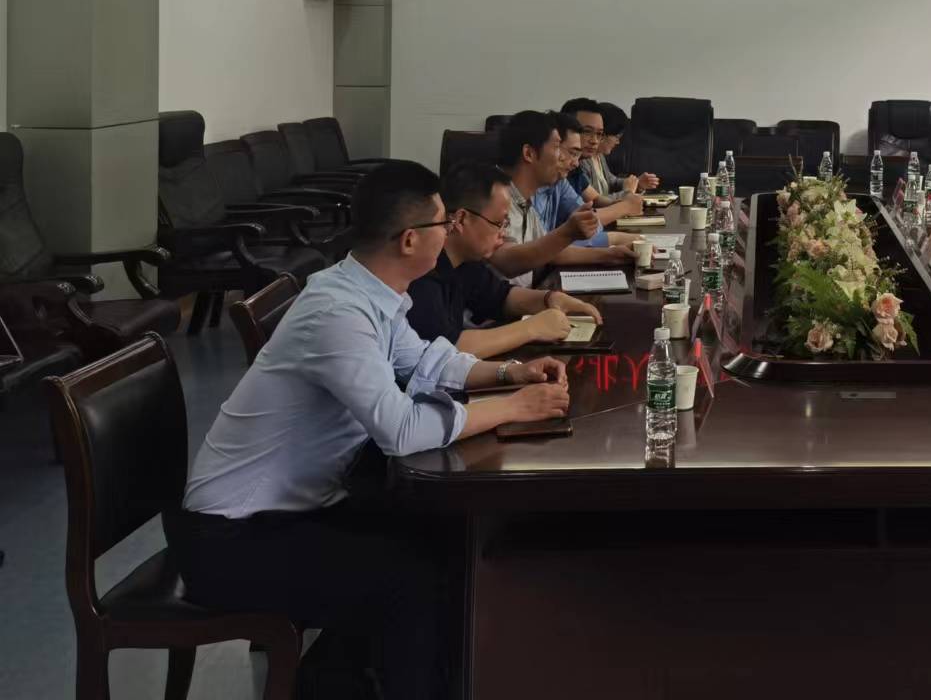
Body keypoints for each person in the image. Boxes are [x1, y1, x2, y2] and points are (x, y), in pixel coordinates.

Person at [166, 162, 572, 699]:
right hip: (233, 539)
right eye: (442, 223)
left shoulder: (372, 292)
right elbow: (399, 429)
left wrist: (509, 374)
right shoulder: (338, 312)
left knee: (447, 537)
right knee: (409, 581)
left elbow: (428, 361)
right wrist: (513, 407)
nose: (450, 230)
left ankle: (349, 680)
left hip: (297, 507)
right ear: (410, 240)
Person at [408, 160, 605, 357]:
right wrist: (532, 328)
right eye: (498, 223)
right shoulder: (422, 273)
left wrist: (549, 298)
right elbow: (447, 350)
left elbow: (501, 297)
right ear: (461, 219)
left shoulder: (465, 262)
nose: (503, 233)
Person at [492, 110, 629, 286]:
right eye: (557, 147)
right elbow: (508, 262)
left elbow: (549, 252)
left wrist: (611, 255)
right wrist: (567, 233)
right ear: (529, 154)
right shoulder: (493, 197)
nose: (562, 158)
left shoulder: (525, 200)